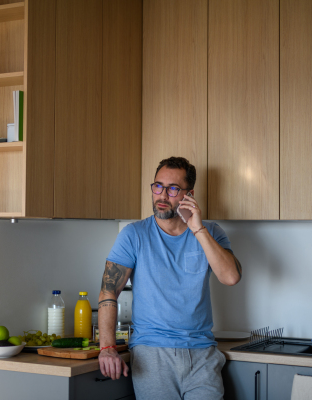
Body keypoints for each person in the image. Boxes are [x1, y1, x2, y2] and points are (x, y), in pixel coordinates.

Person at [97, 156, 242, 400]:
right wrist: (107, 347)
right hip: (152, 356)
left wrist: (197, 228)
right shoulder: (134, 235)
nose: (162, 196)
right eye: (158, 186)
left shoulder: (211, 232)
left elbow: (231, 277)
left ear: (189, 194)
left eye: (173, 189)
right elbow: (108, 290)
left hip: (202, 356)